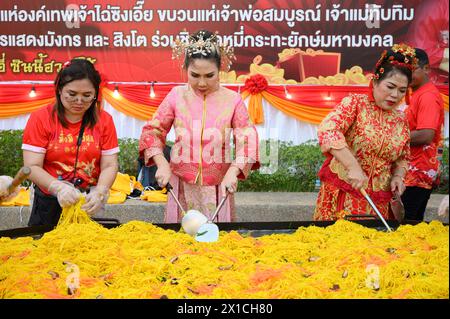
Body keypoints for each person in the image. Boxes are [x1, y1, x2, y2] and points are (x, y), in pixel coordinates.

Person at [139, 30, 259, 223]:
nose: (201, 83)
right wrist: (161, 164)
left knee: (216, 241)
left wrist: (233, 171)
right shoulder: (177, 95)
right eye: (194, 75)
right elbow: (153, 130)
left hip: (219, 185)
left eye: (209, 75)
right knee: (181, 238)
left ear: (219, 70)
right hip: (180, 184)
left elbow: (248, 139)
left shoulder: (232, 100)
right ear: (185, 69)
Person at [313, 43, 416, 221]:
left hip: (379, 202)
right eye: (390, 87)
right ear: (375, 82)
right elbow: (328, 130)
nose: (395, 95)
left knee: (373, 245)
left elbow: (403, 157)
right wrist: (352, 166)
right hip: (345, 192)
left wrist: (398, 177)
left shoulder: (401, 119)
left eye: (401, 91)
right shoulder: (355, 104)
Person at [22, 58, 119, 226]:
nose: (79, 101)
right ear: (59, 90)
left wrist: (101, 192)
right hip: (49, 200)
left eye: (87, 95)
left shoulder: (104, 120)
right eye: (72, 94)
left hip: (88, 201)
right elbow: (32, 167)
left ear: (95, 94)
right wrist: (58, 188)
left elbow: (109, 165)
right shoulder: (41, 118)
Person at [401, 48, 445, 221]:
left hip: (418, 172)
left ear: (426, 68)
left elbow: (426, 135)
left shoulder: (427, 95)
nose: (406, 74)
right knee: (410, 221)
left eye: (411, 69)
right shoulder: (417, 94)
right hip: (413, 171)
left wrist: (392, 137)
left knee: (408, 222)